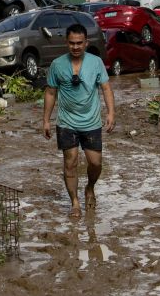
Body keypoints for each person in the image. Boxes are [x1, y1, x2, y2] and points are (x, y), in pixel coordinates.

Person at [43, 23, 115, 218]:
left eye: (79, 43)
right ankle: (74, 202)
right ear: (67, 43)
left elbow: (106, 88)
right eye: (72, 43)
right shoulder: (58, 65)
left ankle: (90, 187)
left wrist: (110, 113)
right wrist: (46, 120)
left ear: (86, 43)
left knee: (96, 163)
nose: (76, 47)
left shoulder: (96, 62)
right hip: (66, 123)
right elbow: (50, 92)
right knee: (70, 162)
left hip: (91, 122)